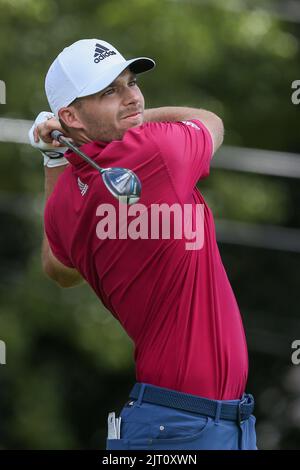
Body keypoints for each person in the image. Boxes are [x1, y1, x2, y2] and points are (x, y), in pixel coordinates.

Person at [29, 38, 257, 450]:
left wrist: (55, 155)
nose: (132, 98)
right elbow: (208, 119)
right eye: (109, 92)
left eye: (131, 83)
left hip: (192, 422)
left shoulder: (63, 203)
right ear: (70, 115)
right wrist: (113, 126)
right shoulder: (157, 150)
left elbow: (57, 269)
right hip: (185, 426)